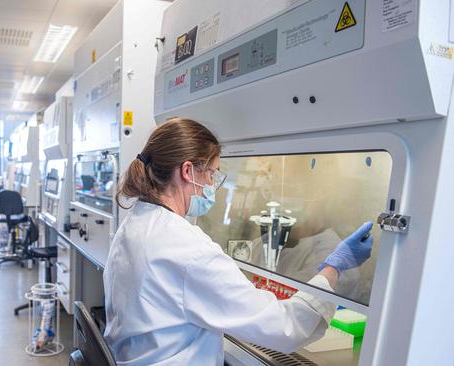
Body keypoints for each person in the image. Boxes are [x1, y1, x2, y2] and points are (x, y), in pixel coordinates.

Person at [103, 118, 374, 365]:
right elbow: (285, 327)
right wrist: (334, 267)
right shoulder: (187, 248)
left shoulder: (133, 225)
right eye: (211, 173)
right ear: (188, 171)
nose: (212, 185)